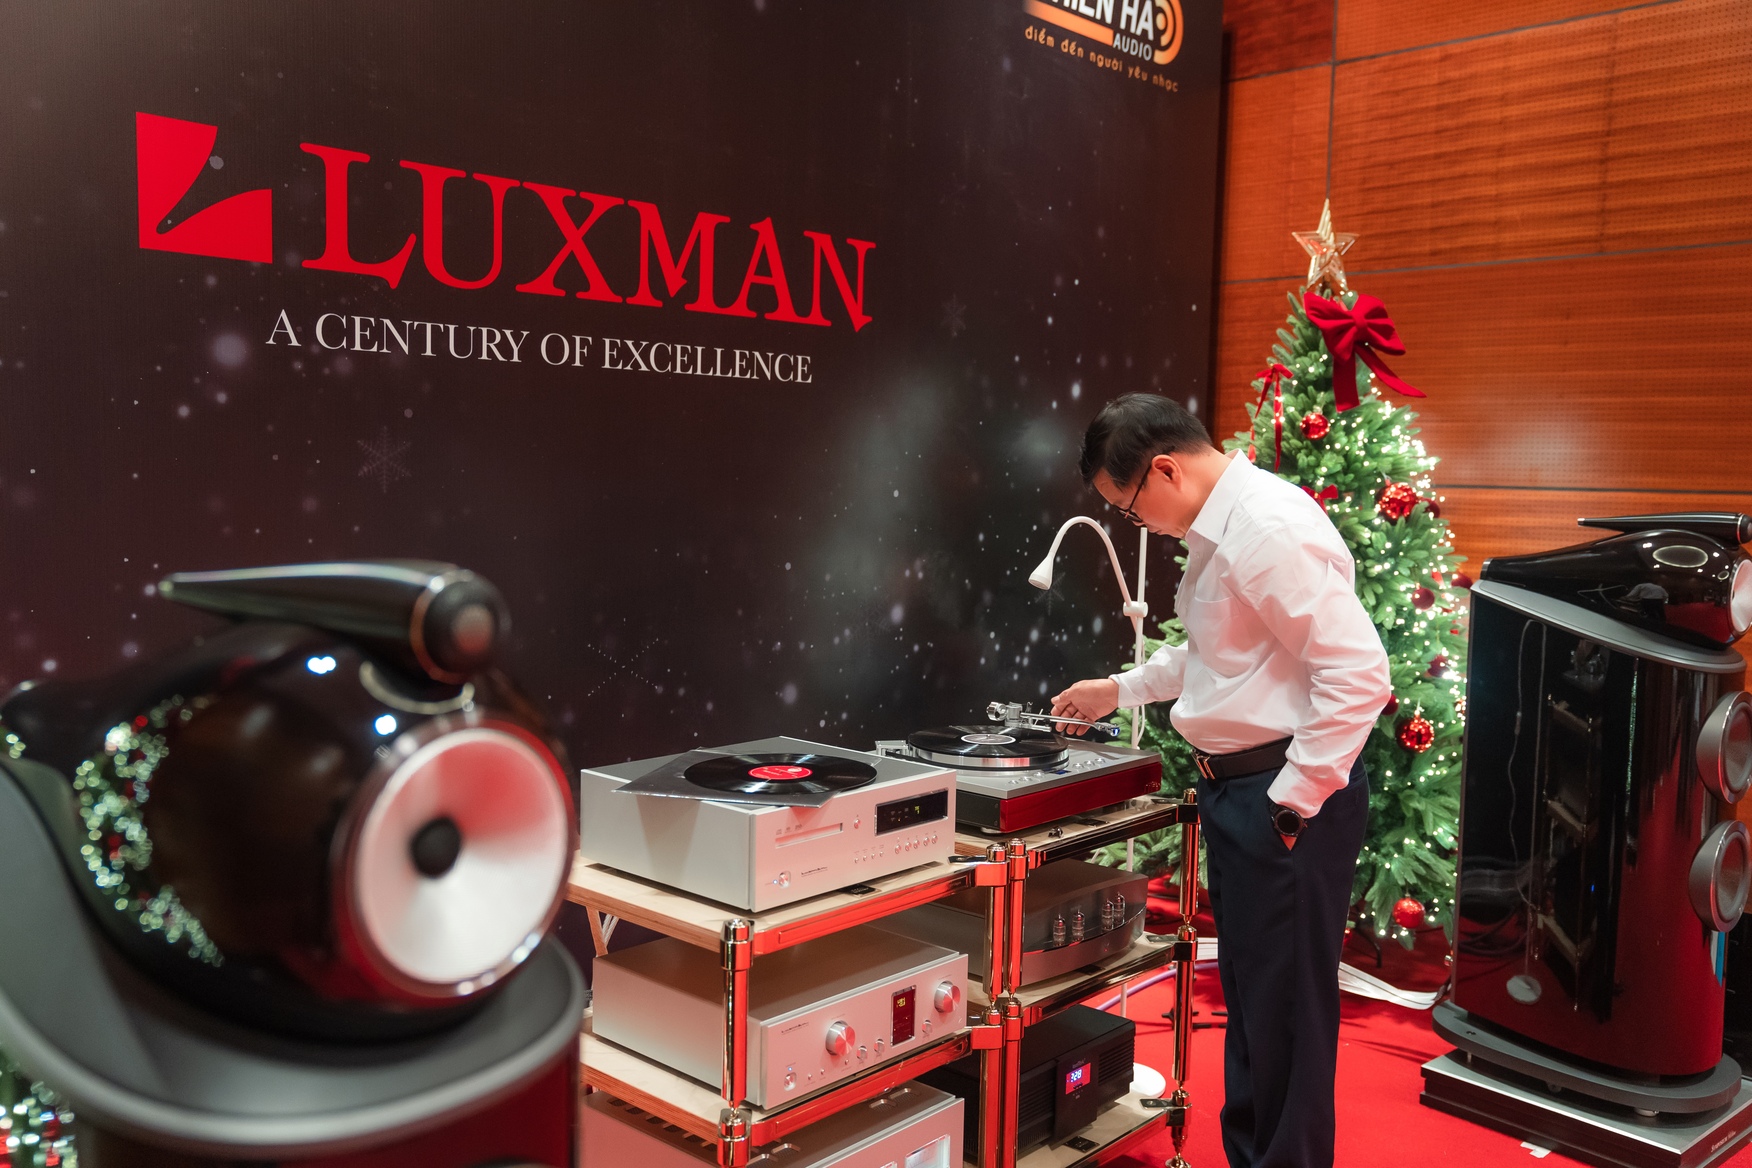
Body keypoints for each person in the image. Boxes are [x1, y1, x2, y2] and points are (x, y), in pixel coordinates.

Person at [1051, 393, 1390, 1168]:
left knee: (1287, 1018)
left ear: (1165, 470)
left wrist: (1293, 802)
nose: (1138, 525)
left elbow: (1358, 675)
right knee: (1255, 1003)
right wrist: (1119, 689)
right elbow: (1215, 654)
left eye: (1129, 508)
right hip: (1243, 792)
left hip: (1282, 796)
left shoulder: (1267, 529)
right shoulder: (1220, 529)